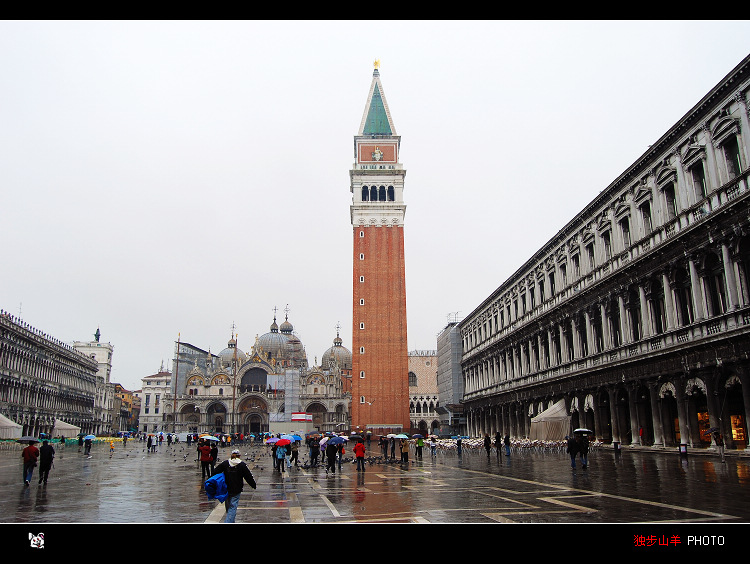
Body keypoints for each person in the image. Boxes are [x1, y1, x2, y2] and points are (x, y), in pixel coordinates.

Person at [212, 449, 256, 523]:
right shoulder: (242, 465)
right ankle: (228, 522)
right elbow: (248, 476)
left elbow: (215, 472)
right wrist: (253, 485)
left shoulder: (226, 463)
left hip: (226, 488)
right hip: (237, 488)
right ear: (239, 456)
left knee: (229, 507)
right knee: (233, 507)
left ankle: (230, 520)